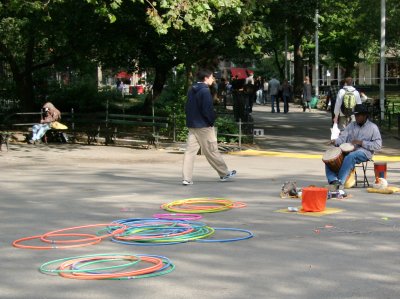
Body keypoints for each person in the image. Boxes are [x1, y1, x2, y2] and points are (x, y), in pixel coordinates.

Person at [182, 69, 237, 185]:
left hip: (192, 125)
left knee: (189, 152)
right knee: (211, 150)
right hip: (204, 126)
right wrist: (211, 121)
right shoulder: (205, 91)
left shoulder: (192, 89)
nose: (213, 79)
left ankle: (187, 178)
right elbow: (207, 110)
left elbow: (187, 107)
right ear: (206, 78)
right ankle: (224, 173)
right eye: (212, 77)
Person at [325, 104, 382, 190]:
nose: (357, 117)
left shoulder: (373, 127)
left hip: (364, 152)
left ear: (365, 115)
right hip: (349, 150)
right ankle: (333, 180)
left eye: (359, 115)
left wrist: (361, 142)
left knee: (351, 156)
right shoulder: (351, 125)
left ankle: (340, 182)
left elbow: (378, 145)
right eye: (355, 115)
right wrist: (335, 141)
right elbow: (343, 138)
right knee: (330, 158)